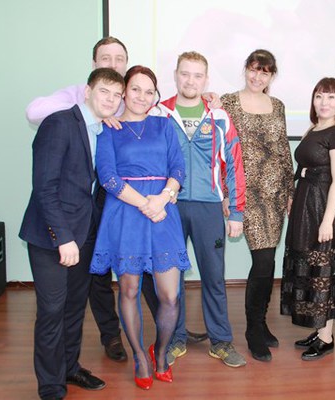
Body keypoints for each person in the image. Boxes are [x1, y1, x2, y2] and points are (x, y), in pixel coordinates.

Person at [26, 36, 207, 362]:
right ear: (92, 77)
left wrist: (163, 197)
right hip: (115, 209)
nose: (113, 64)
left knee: (161, 290)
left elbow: (177, 166)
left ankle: (164, 342)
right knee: (111, 288)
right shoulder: (90, 115)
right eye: (106, 58)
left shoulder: (150, 118)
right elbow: (96, 176)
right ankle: (119, 344)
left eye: (119, 58)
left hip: (153, 210)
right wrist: (90, 111)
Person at [19, 67, 123, 400]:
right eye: (104, 91)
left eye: (117, 95)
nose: (111, 99)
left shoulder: (101, 130)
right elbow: (44, 187)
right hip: (51, 237)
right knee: (52, 310)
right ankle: (51, 386)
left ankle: (69, 368)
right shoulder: (59, 123)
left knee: (74, 307)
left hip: (84, 233)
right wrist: (63, 237)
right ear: (88, 92)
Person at [90, 66, 191, 390]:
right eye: (135, 89)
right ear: (124, 91)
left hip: (163, 210)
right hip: (126, 213)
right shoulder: (109, 129)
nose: (142, 97)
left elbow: (178, 167)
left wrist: (161, 198)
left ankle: (160, 352)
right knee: (130, 289)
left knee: (170, 296)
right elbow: (108, 177)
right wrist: (145, 204)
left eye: (149, 91)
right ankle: (140, 357)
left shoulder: (164, 125)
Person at [153, 51, 247, 368]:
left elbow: (234, 164)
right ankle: (174, 339)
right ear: (175, 75)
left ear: (206, 80)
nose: (190, 81)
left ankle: (221, 341)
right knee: (171, 280)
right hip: (169, 207)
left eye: (197, 75)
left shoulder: (219, 116)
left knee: (214, 278)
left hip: (209, 209)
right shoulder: (159, 113)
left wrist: (236, 212)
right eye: (185, 73)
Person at [221, 49, 294, 362]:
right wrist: (226, 193)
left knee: (268, 262)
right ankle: (253, 330)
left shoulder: (278, 106)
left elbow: (283, 150)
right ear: (245, 69)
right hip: (244, 193)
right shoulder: (227, 102)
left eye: (264, 72)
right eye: (253, 69)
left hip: (275, 194)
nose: (257, 76)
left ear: (271, 76)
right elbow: (221, 150)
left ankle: (261, 323)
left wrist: (290, 191)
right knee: (263, 262)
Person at [281, 77, 335, 361]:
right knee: (311, 270)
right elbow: (303, 167)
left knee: (324, 271)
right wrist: (293, 195)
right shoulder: (313, 129)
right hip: (305, 205)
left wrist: (327, 221)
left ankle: (326, 338)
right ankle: (319, 328)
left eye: (331, 97)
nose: (324, 102)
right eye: (320, 96)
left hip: (324, 207)